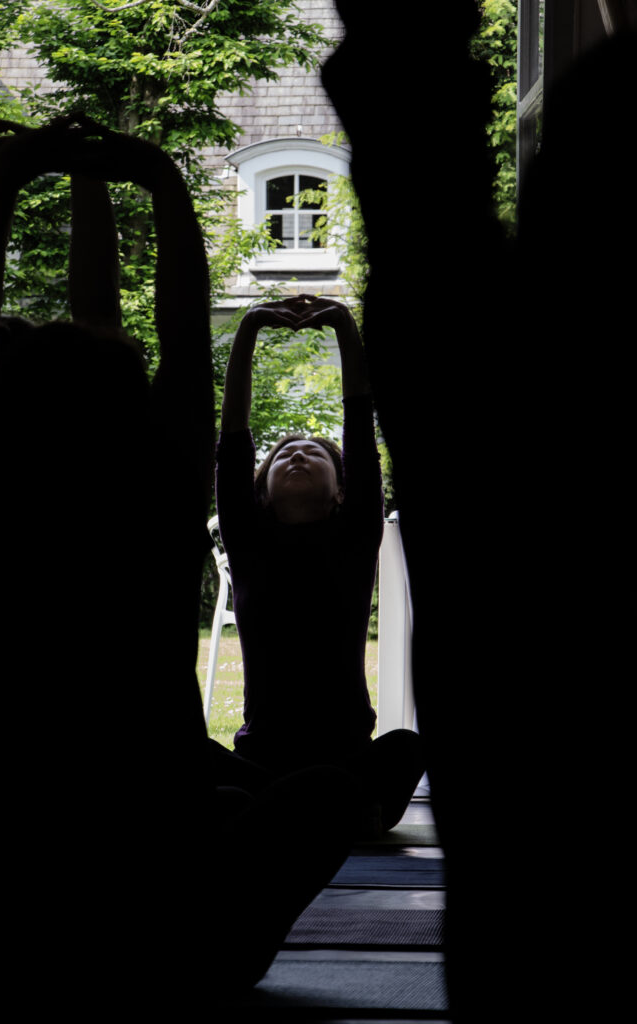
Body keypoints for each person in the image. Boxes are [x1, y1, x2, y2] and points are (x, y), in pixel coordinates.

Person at [0, 117, 361, 1014]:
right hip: (160, 860)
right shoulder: (156, 495)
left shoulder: (2, 497)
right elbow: (180, 330)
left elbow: (103, 319)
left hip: (22, 862)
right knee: (297, 797)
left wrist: (17, 172)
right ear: (133, 405)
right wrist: (152, 179)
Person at [213, 293, 425, 835]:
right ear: (262, 493)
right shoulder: (249, 541)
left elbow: (360, 428)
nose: (298, 453)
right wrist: (248, 328)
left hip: (345, 757)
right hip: (263, 759)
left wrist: (345, 325)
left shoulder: (354, 538)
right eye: (284, 454)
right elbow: (232, 440)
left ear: (341, 492)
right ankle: (335, 810)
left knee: (406, 747)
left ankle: (286, 810)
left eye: (315, 452)